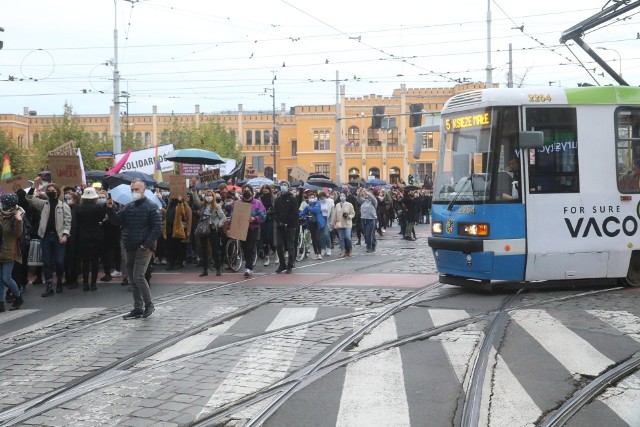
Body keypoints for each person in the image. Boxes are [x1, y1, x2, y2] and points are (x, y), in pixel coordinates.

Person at [106, 178, 162, 320]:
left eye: (137, 189)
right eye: (132, 190)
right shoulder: (129, 207)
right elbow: (116, 221)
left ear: (143, 190)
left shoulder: (151, 206)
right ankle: (138, 307)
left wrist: (146, 244)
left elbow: (157, 228)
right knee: (132, 277)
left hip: (143, 247)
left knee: (138, 276)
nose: (134, 192)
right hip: (130, 245)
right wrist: (110, 208)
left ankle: (149, 305)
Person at [26, 177, 72, 297]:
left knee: (59, 261)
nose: (51, 192)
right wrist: (34, 185)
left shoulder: (63, 205)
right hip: (45, 237)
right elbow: (29, 198)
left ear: (57, 192)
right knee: (47, 262)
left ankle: (60, 280)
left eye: (53, 190)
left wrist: (65, 234)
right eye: (49, 190)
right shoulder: (44, 204)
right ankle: (49, 285)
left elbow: (68, 221)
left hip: (59, 237)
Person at [230, 185, 266, 277]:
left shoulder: (257, 203)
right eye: (244, 190)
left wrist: (255, 218)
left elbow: (263, 215)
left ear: (251, 192)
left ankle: (248, 268)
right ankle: (248, 263)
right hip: (241, 228)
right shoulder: (238, 203)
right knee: (244, 247)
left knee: (250, 247)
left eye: (248, 190)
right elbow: (232, 216)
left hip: (253, 228)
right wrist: (231, 227)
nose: (246, 191)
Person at [75, 187, 105, 291]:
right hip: (95, 235)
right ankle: (93, 283)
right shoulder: (98, 208)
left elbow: (77, 222)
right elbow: (101, 219)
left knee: (85, 262)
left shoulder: (78, 208)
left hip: (82, 236)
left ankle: (85, 283)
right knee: (95, 261)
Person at [0, 193, 25, 312]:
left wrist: (19, 221)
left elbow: (17, 234)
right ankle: (0, 303)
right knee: (0, 279)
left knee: (6, 277)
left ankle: (18, 297)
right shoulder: (1, 214)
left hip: (10, 250)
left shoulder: (17, 215)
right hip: (0, 249)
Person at [197, 189, 227, 277]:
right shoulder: (203, 206)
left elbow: (224, 218)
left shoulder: (216, 206)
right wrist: (194, 191)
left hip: (212, 228)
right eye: (207, 195)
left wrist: (218, 225)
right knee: (204, 249)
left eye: (210, 195)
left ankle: (218, 269)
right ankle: (205, 269)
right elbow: (196, 200)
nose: (208, 197)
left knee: (215, 249)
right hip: (204, 228)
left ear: (213, 197)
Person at [273, 181, 299, 273]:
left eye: (285, 185)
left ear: (288, 187)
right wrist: (279, 222)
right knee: (279, 245)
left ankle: (290, 265)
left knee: (290, 246)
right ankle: (282, 264)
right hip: (280, 226)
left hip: (290, 226)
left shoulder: (292, 199)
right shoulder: (278, 199)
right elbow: (275, 212)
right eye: (282, 185)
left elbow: (295, 213)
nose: (283, 186)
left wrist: (287, 222)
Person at [162, 195, 192, 270]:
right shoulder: (170, 205)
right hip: (169, 229)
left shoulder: (183, 205)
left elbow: (188, 219)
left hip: (179, 229)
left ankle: (180, 262)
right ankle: (170, 263)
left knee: (179, 247)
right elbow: (167, 216)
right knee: (169, 247)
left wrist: (188, 231)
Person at [299, 192, 325, 260]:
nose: (311, 199)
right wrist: (298, 215)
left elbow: (315, 210)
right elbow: (303, 212)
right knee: (313, 239)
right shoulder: (308, 205)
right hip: (311, 223)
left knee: (317, 238)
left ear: (315, 197)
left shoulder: (317, 203)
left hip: (318, 223)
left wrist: (308, 207)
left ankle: (319, 253)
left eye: (312, 197)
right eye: (310, 197)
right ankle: (316, 253)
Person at [331, 192, 355, 257]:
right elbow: (335, 214)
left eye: (343, 195)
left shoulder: (349, 204)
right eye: (341, 195)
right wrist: (332, 223)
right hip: (339, 223)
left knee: (348, 237)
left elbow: (353, 213)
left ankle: (350, 249)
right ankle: (342, 251)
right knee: (341, 238)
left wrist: (349, 216)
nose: (342, 197)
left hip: (347, 223)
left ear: (345, 197)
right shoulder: (337, 205)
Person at [357, 187, 378, 253]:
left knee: (369, 233)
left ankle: (370, 247)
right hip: (363, 219)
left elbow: (373, 198)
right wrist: (360, 192)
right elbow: (359, 199)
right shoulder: (364, 201)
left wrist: (367, 193)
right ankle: (373, 243)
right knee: (366, 234)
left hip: (371, 219)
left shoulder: (373, 202)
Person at [317, 191, 334, 256]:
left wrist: (332, 221)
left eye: (322, 198)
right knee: (322, 236)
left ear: (325, 197)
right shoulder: (318, 202)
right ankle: (323, 248)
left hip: (328, 219)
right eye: (320, 198)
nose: (321, 199)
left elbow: (332, 212)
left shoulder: (330, 201)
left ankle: (329, 248)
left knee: (326, 234)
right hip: (321, 219)